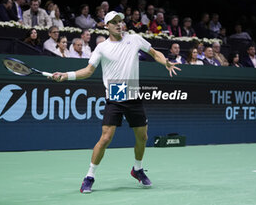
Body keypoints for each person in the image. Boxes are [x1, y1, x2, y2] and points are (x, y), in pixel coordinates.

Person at [51, 11, 180, 193]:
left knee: (142, 137)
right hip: (116, 95)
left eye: (120, 21)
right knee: (105, 138)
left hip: (133, 94)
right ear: (106, 26)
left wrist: (165, 62)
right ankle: (89, 176)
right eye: (114, 22)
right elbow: (88, 71)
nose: (119, 24)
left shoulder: (134, 39)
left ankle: (137, 169)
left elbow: (153, 52)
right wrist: (66, 75)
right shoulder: (102, 48)